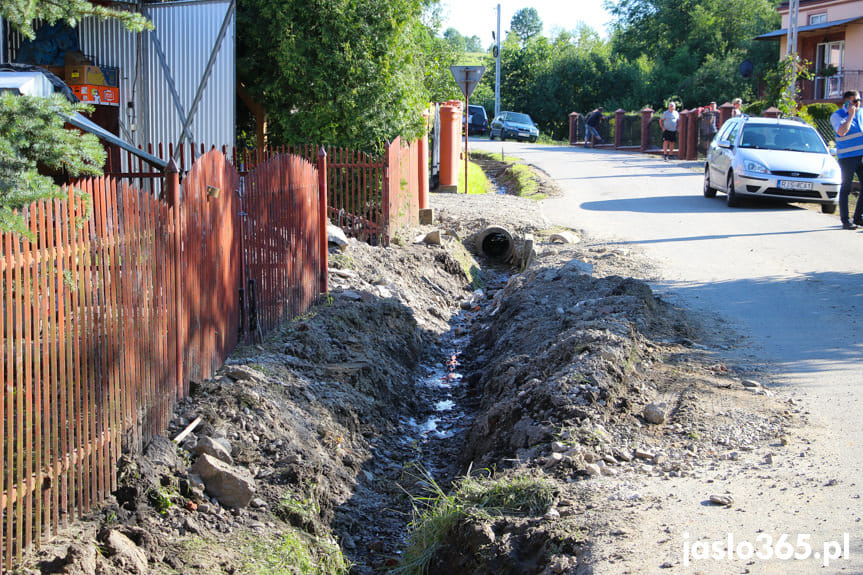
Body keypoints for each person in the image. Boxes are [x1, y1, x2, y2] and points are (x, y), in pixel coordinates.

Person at [830, 90, 863, 230]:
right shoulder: (837, 115)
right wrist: (851, 115)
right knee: (846, 188)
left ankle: (858, 217)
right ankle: (845, 220)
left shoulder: (861, 113)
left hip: (861, 155)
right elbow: (842, 132)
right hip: (847, 157)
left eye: (859, 100)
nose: (858, 103)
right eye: (855, 101)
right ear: (847, 102)